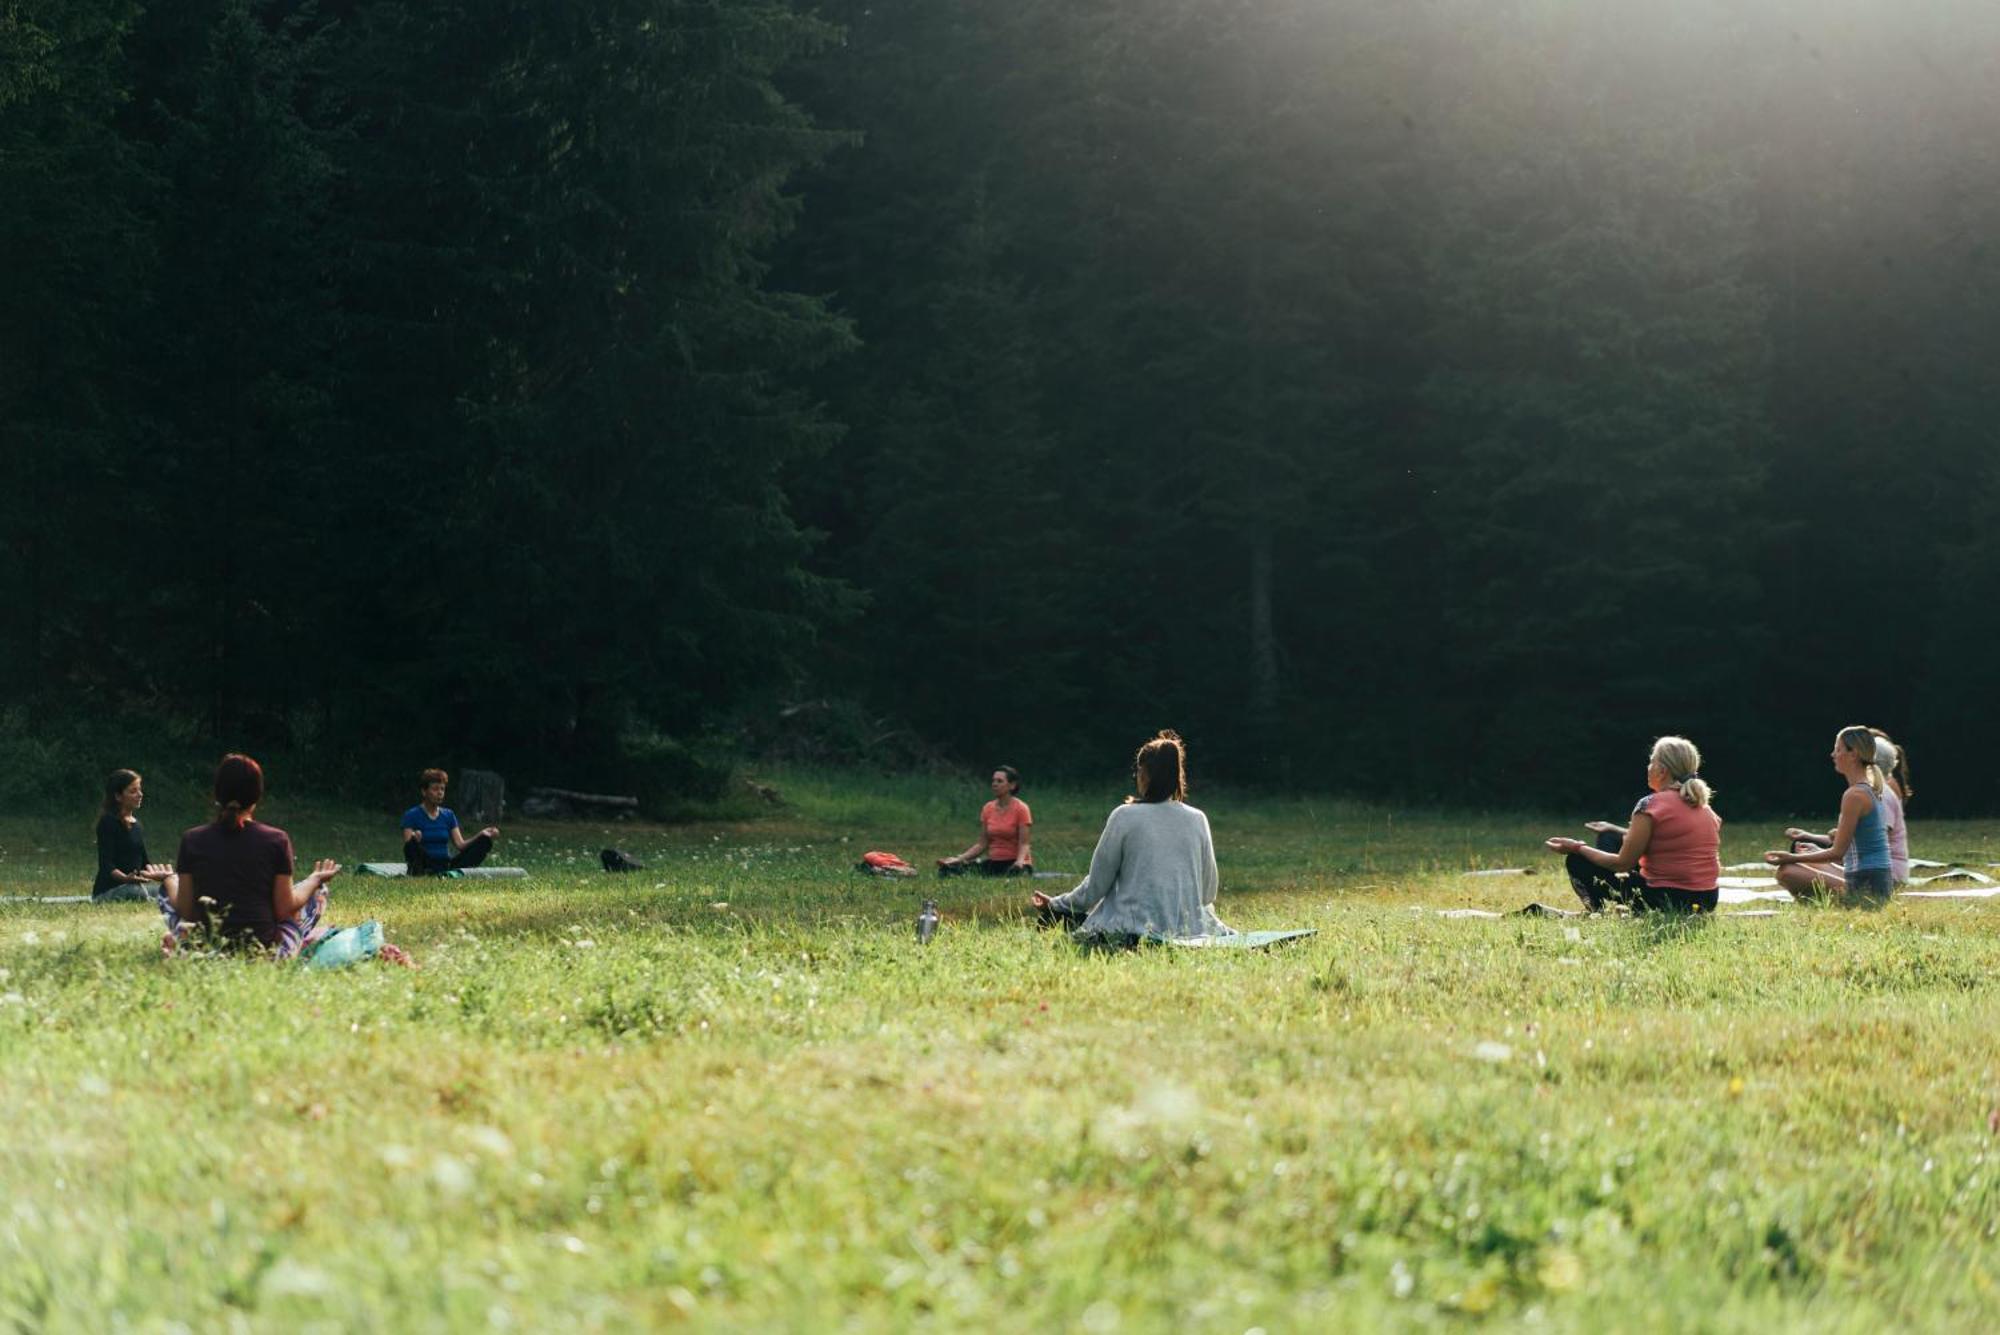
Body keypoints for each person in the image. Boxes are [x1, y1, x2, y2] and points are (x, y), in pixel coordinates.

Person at [1029, 732, 1231, 943]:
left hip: (1132, 929)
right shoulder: (1198, 818)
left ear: (1145, 774)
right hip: (1190, 930)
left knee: (1059, 917)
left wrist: (1056, 904)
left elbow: (1096, 886)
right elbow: (1208, 893)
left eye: (1138, 772)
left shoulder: (1124, 815)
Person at [165, 753, 342, 956]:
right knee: (318, 892)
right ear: (257, 796)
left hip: (206, 950)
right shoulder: (276, 840)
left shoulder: (191, 839)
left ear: (217, 793)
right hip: (264, 953)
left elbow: (186, 912)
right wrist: (314, 880)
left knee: (166, 893)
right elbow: (284, 910)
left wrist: (169, 880)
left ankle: (181, 944)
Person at [1545, 736, 1722, 914]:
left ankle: (1597, 911)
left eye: (1651, 761)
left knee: (1578, 861)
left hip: (1665, 899)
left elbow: (1622, 864)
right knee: (1610, 837)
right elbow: (1665, 840)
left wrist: (1577, 847)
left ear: (1662, 770)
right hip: (1706, 900)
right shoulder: (1705, 808)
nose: (1648, 767)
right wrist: (1613, 829)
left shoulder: (1649, 805)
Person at [1765, 726, 1896, 904]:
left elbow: (1837, 853)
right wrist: (1814, 849)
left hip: (1867, 887)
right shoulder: (1867, 790)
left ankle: (1836, 902)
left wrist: (1791, 857)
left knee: (1787, 871)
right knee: (1805, 864)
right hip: (1874, 880)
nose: (1833, 754)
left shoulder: (1855, 795)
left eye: (1838, 749)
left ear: (1853, 754)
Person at [937, 765, 1034, 877]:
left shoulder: (1021, 808)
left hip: (1015, 862)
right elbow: (982, 844)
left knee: (1013, 874)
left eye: (999, 781)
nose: (994, 784)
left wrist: (1019, 862)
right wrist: (959, 859)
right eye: (993, 781)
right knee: (947, 870)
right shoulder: (988, 808)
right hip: (994, 862)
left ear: (1012, 785)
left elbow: (1024, 844)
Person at [401, 768, 499, 876]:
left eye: (442, 789)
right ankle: (421, 873)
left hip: (446, 866)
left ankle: (450, 873)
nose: (440, 793)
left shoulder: (448, 815)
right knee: (412, 846)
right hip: (423, 864)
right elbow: (408, 849)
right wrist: (414, 839)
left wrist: (481, 834)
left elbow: (461, 845)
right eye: (435, 789)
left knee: (484, 842)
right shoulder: (411, 815)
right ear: (424, 792)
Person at [93, 769, 172, 902]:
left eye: (139, 790)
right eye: (133, 791)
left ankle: (151, 898)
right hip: (108, 892)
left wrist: (162, 876)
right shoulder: (107, 822)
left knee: (169, 889)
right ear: (118, 796)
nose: (140, 794)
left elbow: (144, 864)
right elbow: (107, 866)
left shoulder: (137, 825)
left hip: (134, 887)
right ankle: (149, 900)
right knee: (136, 892)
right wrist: (125, 879)